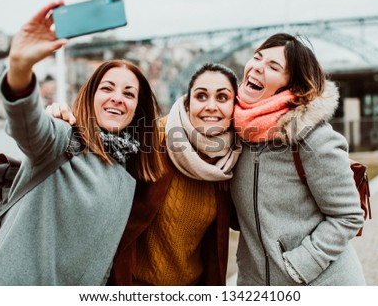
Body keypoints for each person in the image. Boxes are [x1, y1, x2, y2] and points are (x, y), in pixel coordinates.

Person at [0, 2, 165, 286]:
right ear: (91, 96)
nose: (117, 98)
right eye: (107, 88)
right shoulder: (63, 140)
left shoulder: (130, 171)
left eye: (129, 93)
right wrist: (20, 67)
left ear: (137, 109)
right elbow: (26, 122)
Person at [48, 63, 242, 285]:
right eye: (201, 96)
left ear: (234, 108)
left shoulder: (231, 161)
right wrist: (59, 123)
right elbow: (99, 138)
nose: (211, 106)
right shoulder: (150, 140)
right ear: (187, 105)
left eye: (222, 97)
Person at [230, 33, 366, 286]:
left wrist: (299, 265)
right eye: (257, 57)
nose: (258, 66)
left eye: (273, 66)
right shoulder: (236, 136)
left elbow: (348, 216)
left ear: (292, 86)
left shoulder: (314, 138)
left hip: (320, 284)